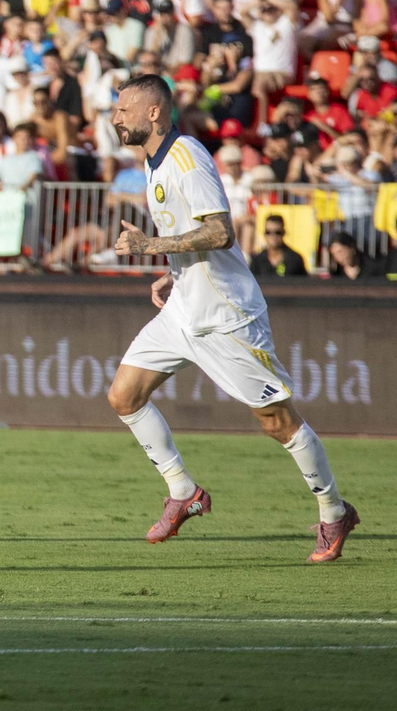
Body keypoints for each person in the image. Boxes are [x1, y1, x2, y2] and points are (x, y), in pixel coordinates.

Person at [108, 74, 357, 563]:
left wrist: (150, 245)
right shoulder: (153, 161)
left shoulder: (187, 157)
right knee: (124, 395)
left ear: (153, 112)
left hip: (226, 314)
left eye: (123, 110)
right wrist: (171, 271)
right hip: (185, 305)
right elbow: (190, 234)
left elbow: (220, 232)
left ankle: (333, 512)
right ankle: (183, 492)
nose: (116, 118)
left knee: (275, 421)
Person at [249, 213, 308, 278]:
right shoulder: (257, 261)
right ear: (264, 234)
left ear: (284, 232)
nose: (273, 236)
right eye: (268, 232)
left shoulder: (295, 259)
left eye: (278, 232)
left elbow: (304, 285)